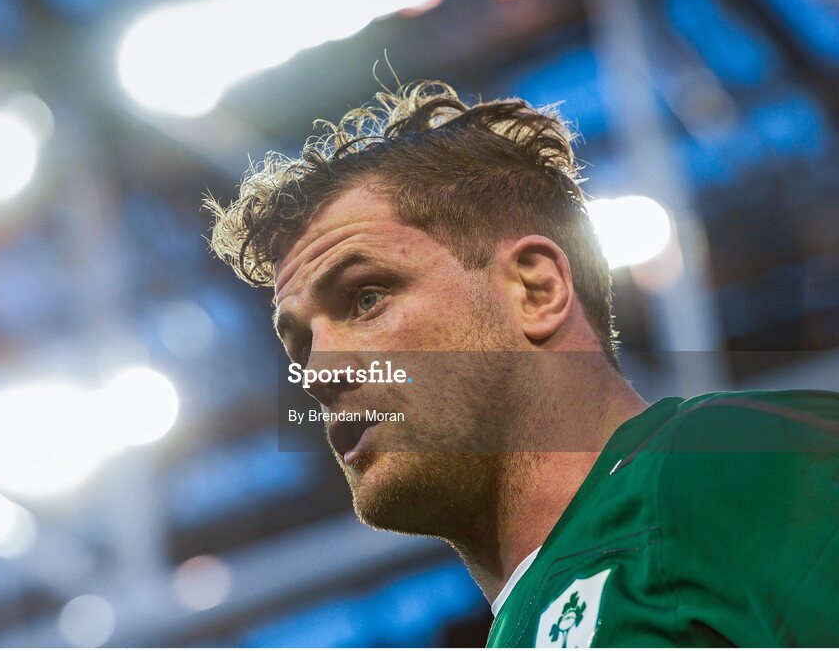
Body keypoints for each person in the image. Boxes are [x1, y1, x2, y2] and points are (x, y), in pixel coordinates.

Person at [205, 81, 839, 647]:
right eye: (300, 345)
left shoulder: (729, 466)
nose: (318, 373)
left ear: (535, 291)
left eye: (366, 297)